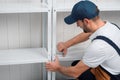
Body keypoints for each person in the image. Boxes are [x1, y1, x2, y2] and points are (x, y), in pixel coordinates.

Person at [46, 1, 120, 80]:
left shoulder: (98, 46)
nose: (77, 25)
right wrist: (66, 44)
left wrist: (57, 68)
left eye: (77, 22)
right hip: (112, 67)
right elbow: (89, 34)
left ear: (86, 21)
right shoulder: (110, 26)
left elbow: (75, 72)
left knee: (77, 70)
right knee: (76, 64)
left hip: (112, 76)